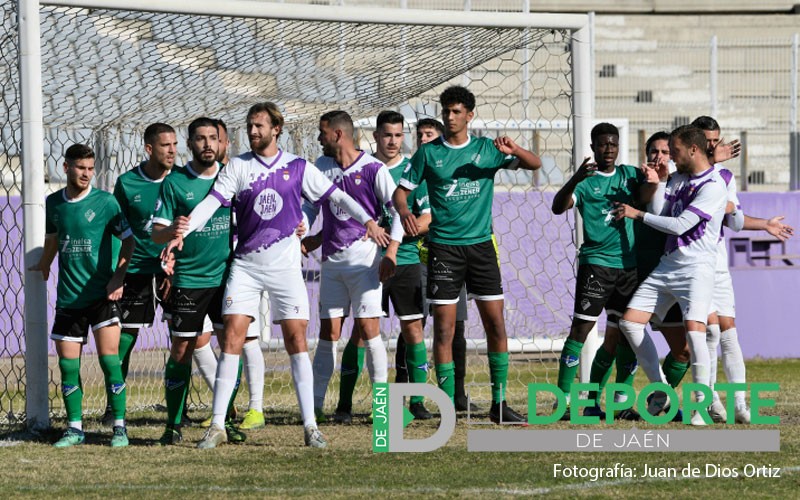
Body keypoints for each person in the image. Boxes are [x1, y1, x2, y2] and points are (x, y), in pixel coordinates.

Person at [164, 103, 386, 448]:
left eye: (259, 126)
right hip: (246, 268)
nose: (252, 132)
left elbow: (337, 196)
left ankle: (310, 426)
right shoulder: (237, 166)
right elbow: (211, 204)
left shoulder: (298, 167)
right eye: (250, 126)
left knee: (297, 341)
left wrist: (368, 221)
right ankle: (218, 426)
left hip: (285, 270)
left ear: (275, 129)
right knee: (233, 338)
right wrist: (184, 231)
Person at [394, 85, 542, 423]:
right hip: (444, 249)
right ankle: (447, 405)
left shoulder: (487, 150)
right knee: (444, 330)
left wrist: (513, 147)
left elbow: (534, 164)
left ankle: (499, 404)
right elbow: (401, 192)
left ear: (470, 115)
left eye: (457, 111)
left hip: (481, 248)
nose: (450, 117)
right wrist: (404, 211)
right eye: (446, 111)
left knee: (496, 324)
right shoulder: (429, 153)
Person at [614, 125, 728, 426]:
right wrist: (661, 181)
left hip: (696, 268)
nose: (670, 157)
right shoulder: (677, 178)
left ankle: (701, 407)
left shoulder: (713, 185)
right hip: (668, 264)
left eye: (674, 151)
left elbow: (679, 226)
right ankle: (662, 389)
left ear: (692, 150)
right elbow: (661, 211)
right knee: (630, 322)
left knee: (695, 331)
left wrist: (636, 213)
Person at [29, 144, 135, 447]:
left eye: (90, 169)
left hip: (103, 297)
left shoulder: (106, 203)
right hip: (69, 299)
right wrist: (45, 264)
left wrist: (118, 276)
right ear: (66, 168)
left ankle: (119, 427)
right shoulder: (53, 204)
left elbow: (129, 241)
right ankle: (75, 428)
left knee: (110, 361)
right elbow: (52, 239)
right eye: (80, 168)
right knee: (67, 366)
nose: (87, 174)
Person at [551, 122, 658, 419]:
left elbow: (646, 195)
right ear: (593, 146)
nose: (608, 149)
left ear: (619, 146)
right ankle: (562, 403)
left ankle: (616, 404)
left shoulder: (629, 175)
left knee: (627, 334)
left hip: (628, 268)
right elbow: (558, 207)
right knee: (581, 331)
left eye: (613, 144)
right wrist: (574, 179)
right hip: (596, 266)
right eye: (602, 144)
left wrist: (653, 178)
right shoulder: (585, 182)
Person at [691, 116, 794, 424]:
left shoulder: (723, 175)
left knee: (728, 333)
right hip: (693, 265)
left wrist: (764, 224)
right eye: (708, 141)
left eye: (716, 140)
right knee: (708, 332)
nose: (715, 145)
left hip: (717, 263)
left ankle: (739, 404)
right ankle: (710, 403)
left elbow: (732, 217)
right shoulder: (681, 173)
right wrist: (711, 164)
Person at [151, 117, 247, 446]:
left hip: (231, 276)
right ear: (189, 143)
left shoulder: (232, 176)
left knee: (232, 349)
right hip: (189, 278)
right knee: (181, 349)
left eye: (213, 138)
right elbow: (155, 232)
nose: (207, 144)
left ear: (222, 143)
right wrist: (172, 230)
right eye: (200, 139)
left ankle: (227, 419)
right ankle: (173, 424)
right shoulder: (175, 183)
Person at [305, 110, 401, 424]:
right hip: (332, 263)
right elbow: (310, 204)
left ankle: (382, 407)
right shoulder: (321, 167)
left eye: (322, 133)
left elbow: (398, 212)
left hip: (366, 263)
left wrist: (391, 253)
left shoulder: (374, 169)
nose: (318, 138)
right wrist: (304, 232)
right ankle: (316, 407)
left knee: (370, 332)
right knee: (328, 334)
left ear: (337, 135)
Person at [106, 123, 176, 426]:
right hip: (135, 270)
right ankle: (114, 406)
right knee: (125, 339)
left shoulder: (183, 180)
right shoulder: (127, 183)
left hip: (175, 270)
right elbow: (116, 231)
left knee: (185, 339)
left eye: (175, 144)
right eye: (165, 146)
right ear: (149, 149)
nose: (172, 151)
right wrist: (116, 273)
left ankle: (179, 409)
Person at [373, 110, 433, 420]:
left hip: (406, 260)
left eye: (398, 135)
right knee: (364, 333)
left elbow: (427, 215)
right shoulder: (365, 169)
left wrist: (409, 228)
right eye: (387, 135)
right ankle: (346, 405)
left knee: (413, 329)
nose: (393, 141)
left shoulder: (413, 171)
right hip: (368, 264)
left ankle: (417, 401)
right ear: (376, 136)